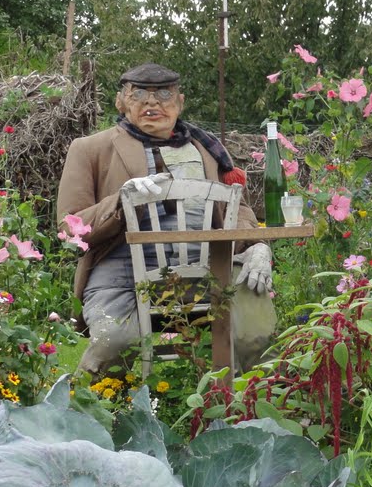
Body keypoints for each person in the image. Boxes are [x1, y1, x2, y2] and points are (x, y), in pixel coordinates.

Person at [57, 62, 275, 376]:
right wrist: (120, 200)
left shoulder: (209, 150)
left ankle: (250, 409)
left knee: (255, 330)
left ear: (180, 102)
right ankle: (86, 416)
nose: (152, 103)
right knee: (115, 340)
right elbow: (69, 226)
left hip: (207, 268)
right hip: (123, 273)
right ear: (121, 102)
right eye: (139, 95)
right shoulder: (90, 149)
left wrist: (257, 247)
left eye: (163, 95)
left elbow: (236, 210)